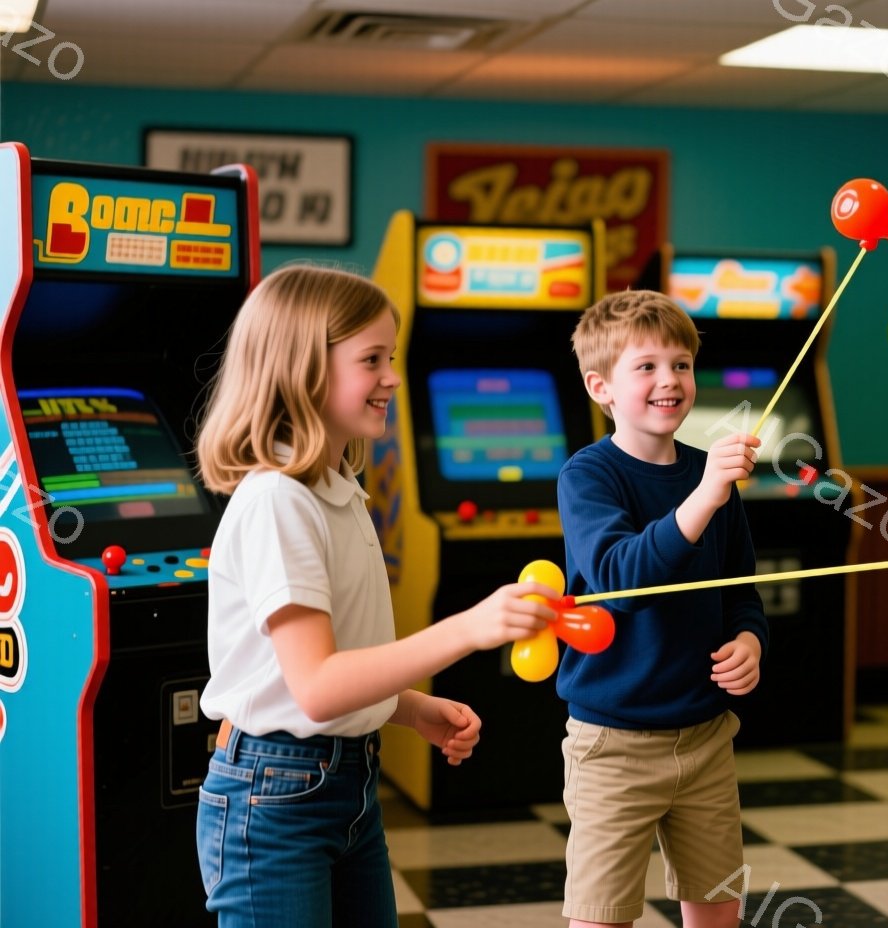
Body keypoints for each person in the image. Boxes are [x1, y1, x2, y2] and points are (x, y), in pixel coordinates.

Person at [193, 266, 560, 927]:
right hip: (274, 794)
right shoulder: (279, 499)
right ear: (304, 370)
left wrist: (406, 707)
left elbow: (332, 666)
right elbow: (316, 687)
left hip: (344, 780)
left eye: (390, 357)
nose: (393, 377)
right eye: (371, 360)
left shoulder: (338, 486)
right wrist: (469, 628)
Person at [555, 289, 767, 927]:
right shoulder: (588, 476)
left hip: (706, 737)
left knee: (717, 910)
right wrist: (705, 496)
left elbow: (741, 591)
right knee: (602, 916)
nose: (669, 380)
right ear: (602, 388)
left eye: (680, 364)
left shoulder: (711, 478)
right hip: (611, 744)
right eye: (645, 367)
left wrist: (751, 641)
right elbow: (623, 579)